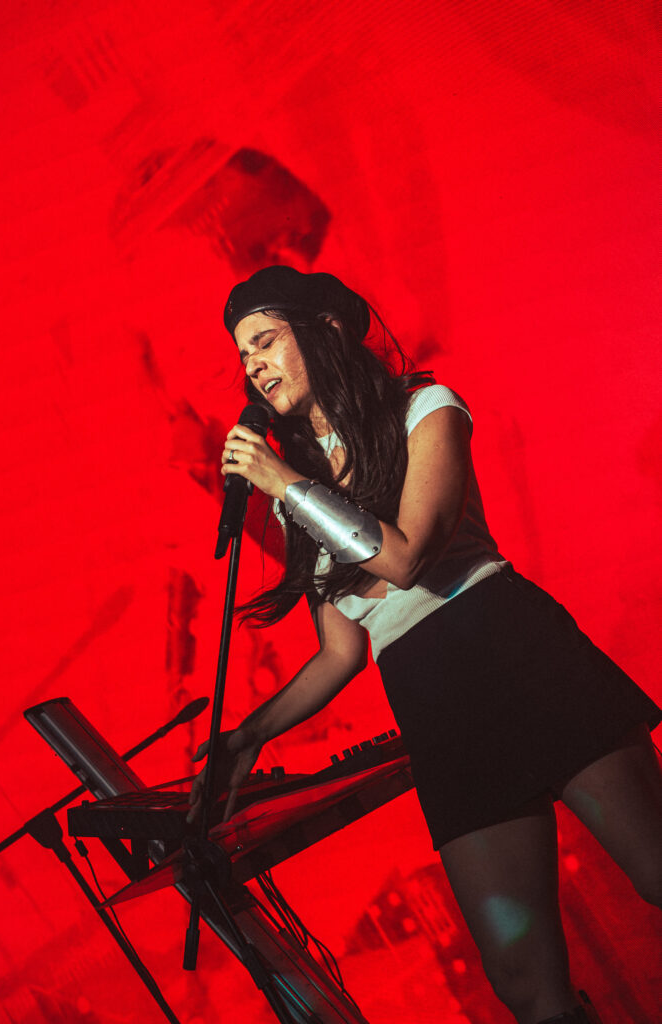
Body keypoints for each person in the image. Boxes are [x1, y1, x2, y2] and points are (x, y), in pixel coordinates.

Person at [189, 265, 662, 1024]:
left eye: (266, 341)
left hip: (515, 653)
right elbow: (342, 650)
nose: (254, 366)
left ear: (324, 330)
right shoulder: (295, 492)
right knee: (522, 980)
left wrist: (283, 485)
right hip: (435, 703)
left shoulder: (425, 410)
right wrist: (248, 735)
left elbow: (406, 558)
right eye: (244, 356)